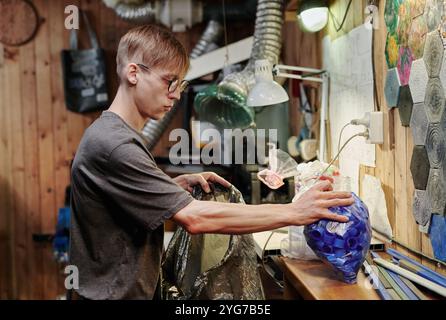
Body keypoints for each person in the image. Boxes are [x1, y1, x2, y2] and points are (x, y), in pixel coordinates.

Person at [69, 24, 353, 300]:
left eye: (181, 85)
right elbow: (196, 218)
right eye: (170, 81)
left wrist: (168, 187)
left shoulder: (114, 134)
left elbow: (123, 199)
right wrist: (294, 212)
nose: (177, 94)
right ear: (134, 73)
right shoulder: (116, 144)